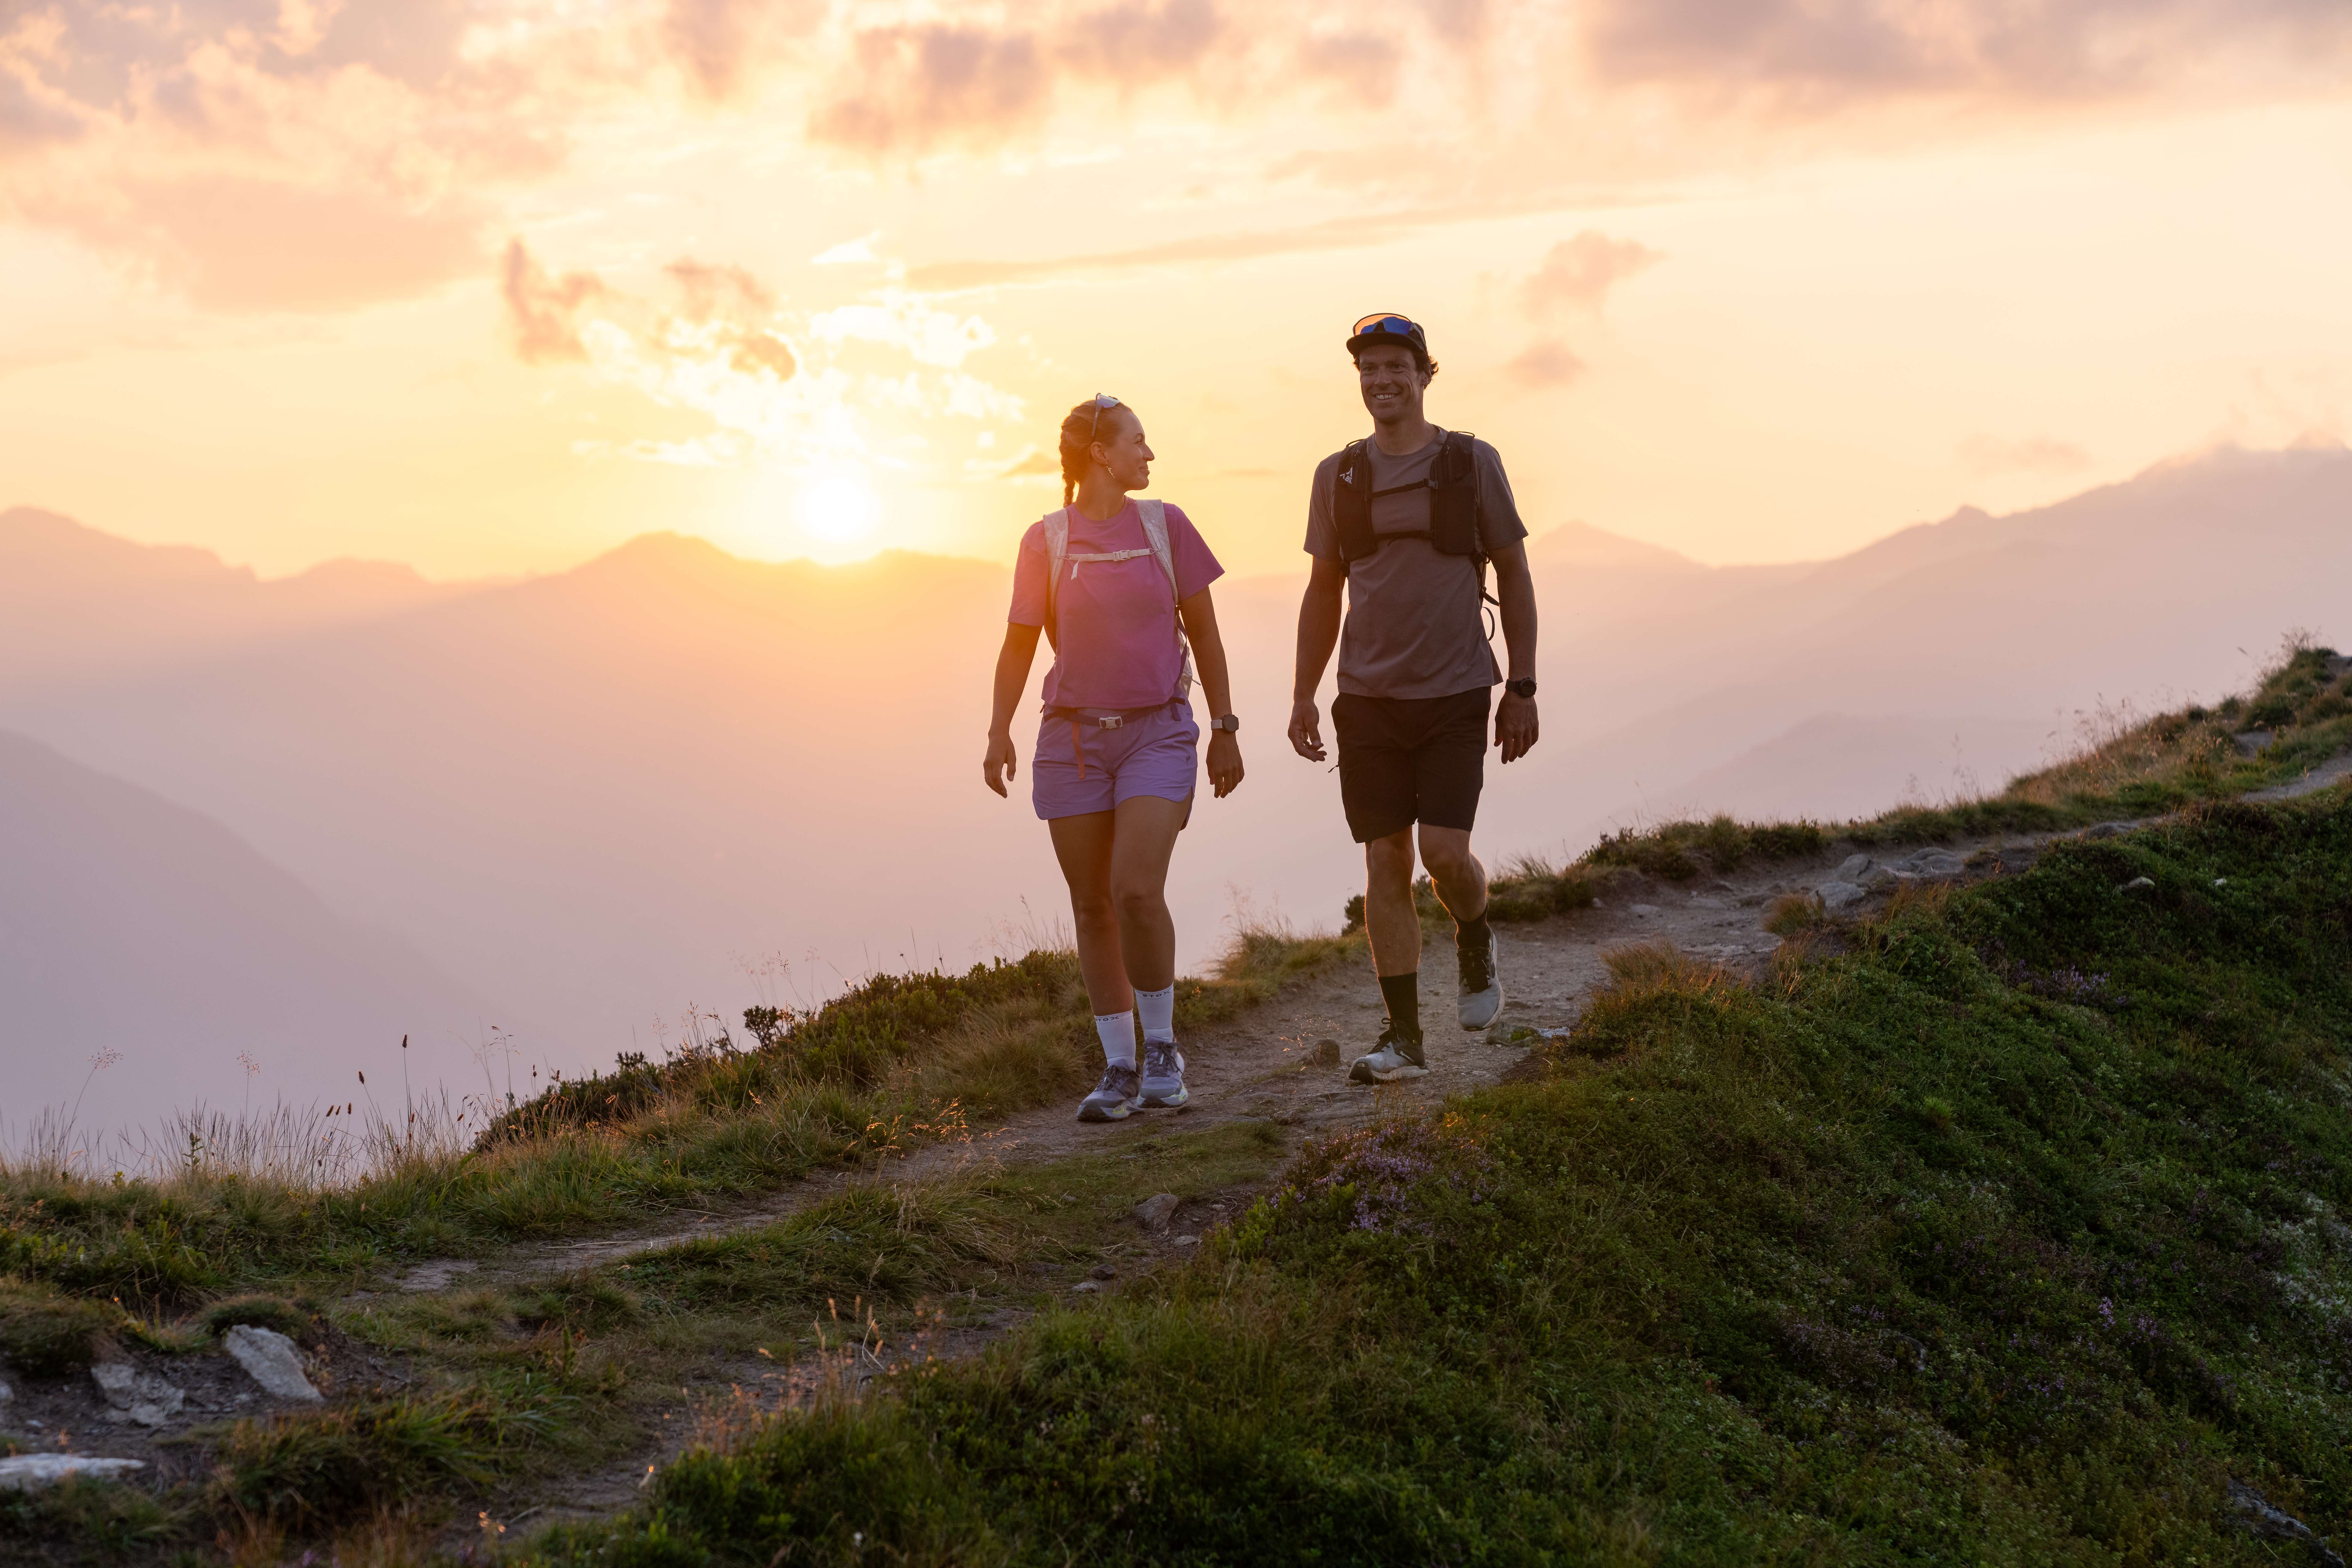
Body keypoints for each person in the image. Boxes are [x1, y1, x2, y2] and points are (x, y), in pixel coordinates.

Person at [1289, 314, 1540, 1084]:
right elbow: (1322, 591)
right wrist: (1303, 693)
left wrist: (1523, 685)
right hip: (1366, 698)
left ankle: (1475, 930)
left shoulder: (1470, 462)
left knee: (1443, 855)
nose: (1382, 381)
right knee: (1385, 860)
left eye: (1397, 366)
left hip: (1459, 688)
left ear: (1425, 375)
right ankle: (1404, 1039)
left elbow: (1515, 574)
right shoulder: (1338, 475)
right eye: (1370, 369)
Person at [984, 395, 1245, 1121]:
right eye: (1138, 440)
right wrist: (998, 730)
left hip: (1158, 732)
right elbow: (1019, 643)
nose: (1149, 454)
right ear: (1101, 452)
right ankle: (1120, 1068)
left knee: (1133, 890)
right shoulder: (1046, 540)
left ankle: (1162, 1050)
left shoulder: (1167, 527)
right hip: (1070, 741)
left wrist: (1224, 726)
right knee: (1093, 905)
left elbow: (1209, 636)